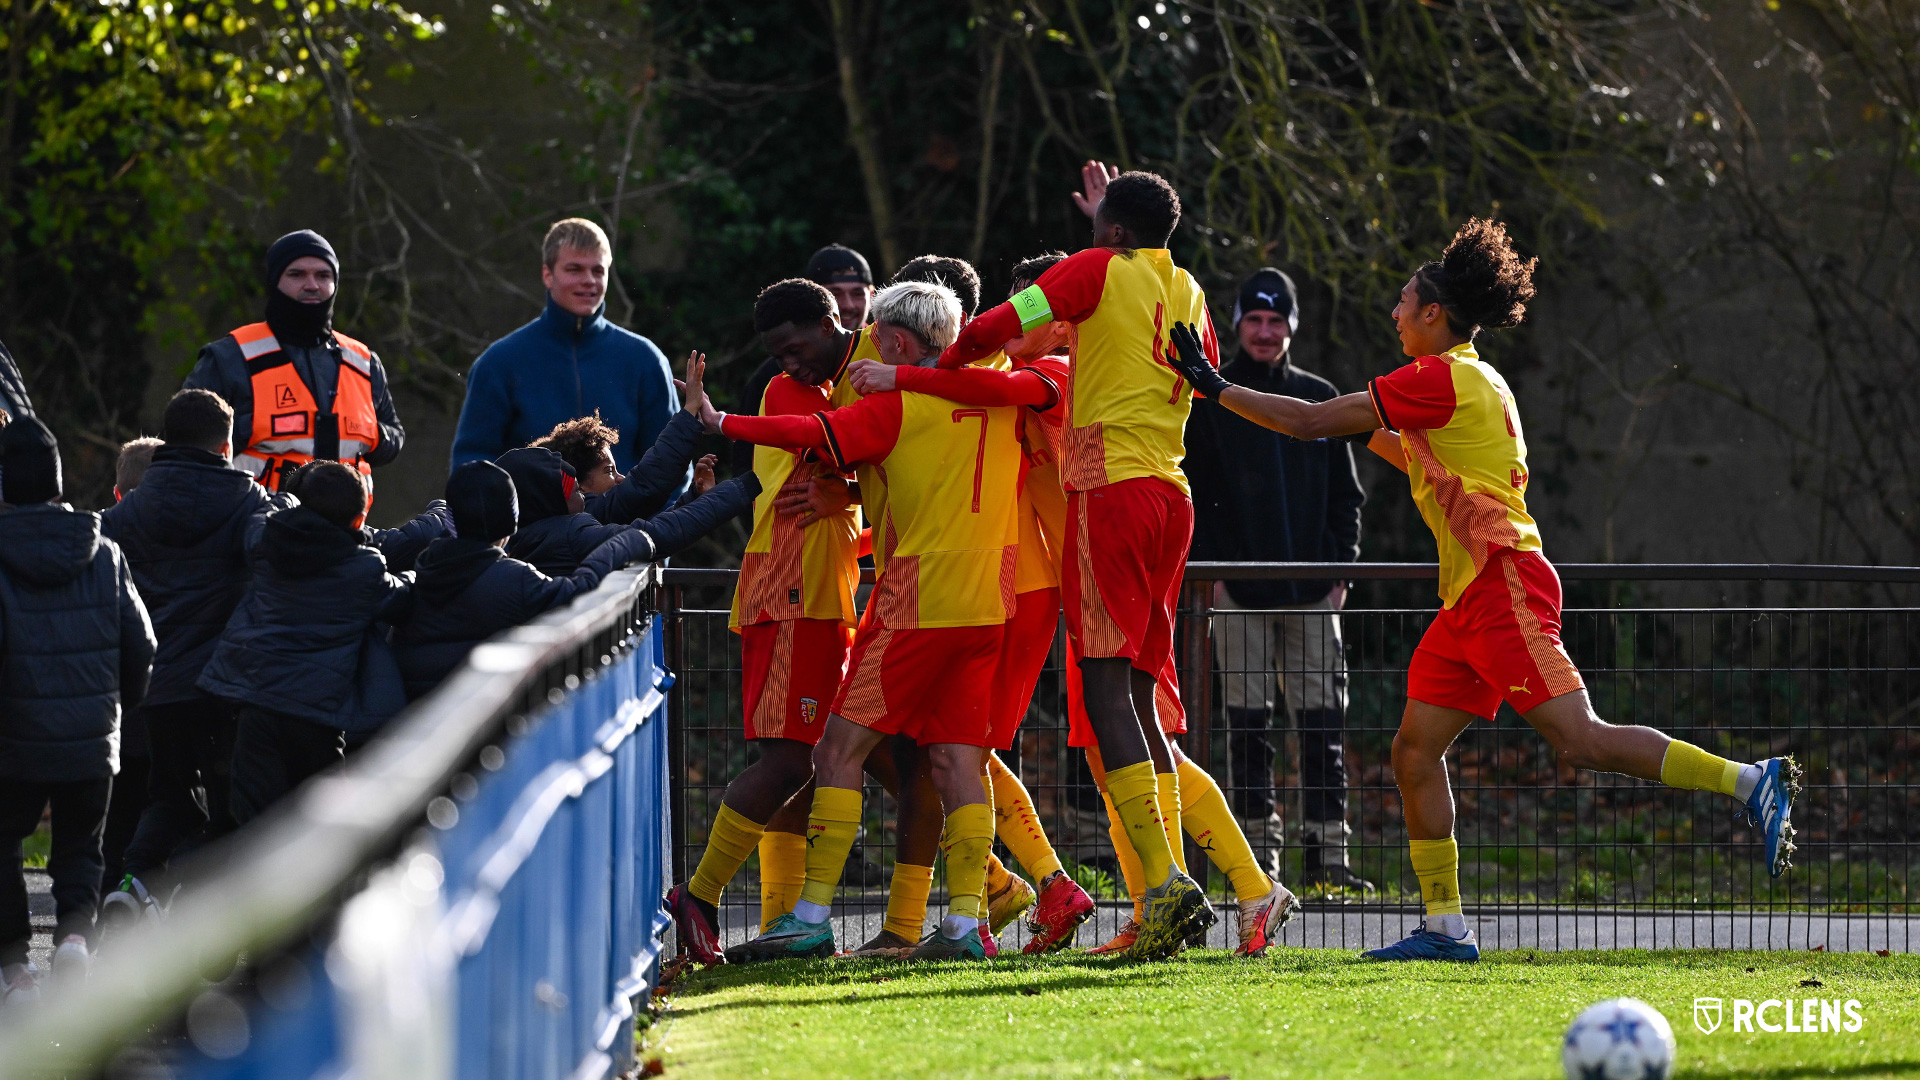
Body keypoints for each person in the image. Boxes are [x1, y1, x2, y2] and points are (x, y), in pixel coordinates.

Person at [1164, 217, 1799, 962]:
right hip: (1470, 598)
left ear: (1434, 313)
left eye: (1404, 303)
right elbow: (1411, 457)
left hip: (1504, 585)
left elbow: (1308, 422)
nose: (1395, 313)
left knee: (1579, 738)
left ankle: (1752, 781)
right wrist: (1335, 420)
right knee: (1412, 751)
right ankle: (1446, 927)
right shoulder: (1471, 377)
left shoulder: (1440, 376)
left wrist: (1214, 387)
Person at [862, 252, 1297, 959]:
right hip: (1084, 577)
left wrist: (900, 374)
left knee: (1108, 739)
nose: (1009, 332)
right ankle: (1163, 902)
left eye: (1025, 314)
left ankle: (1243, 887)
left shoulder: (1059, 374)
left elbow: (1000, 392)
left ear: (1060, 321)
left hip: (1106, 564)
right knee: (1110, 748)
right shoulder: (1056, 370)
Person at [936, 169, 1223, 960]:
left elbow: (1013, 316)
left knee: (1103, 689)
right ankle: (1167, 887)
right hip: (1173, 491)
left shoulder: (1097, 268)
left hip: (1113, 486)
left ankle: (1164, 886)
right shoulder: (1189, 286)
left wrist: (957, 356)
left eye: (1101, 228)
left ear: (1115, 234)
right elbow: (1197, 374)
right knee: (1133, 688)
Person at [707, 280, 1024, 964]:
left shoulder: (896, 406)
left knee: (835, 753)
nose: (867, 349)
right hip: (989, 601)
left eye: (877, 336)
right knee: (957, 762)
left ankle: (812, 918)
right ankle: (966, 929)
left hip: (918, 602)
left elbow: (808, 431)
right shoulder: (1003, 387)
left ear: (901, 343)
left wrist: (720, 421)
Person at [1183, 267, 1372, 891]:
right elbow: (1195, 493)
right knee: (1247, 728)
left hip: (1315, 593)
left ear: (1291, 325)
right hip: (1236, 591)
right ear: (1237, 324)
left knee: (1323, 726)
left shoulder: (1319, 395)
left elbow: (1348, 498)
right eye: (1254, 320)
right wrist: (1210, 575)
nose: (1265, 332)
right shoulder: (1214, 398)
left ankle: (1328, 859)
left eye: (1276, 320)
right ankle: (1260, 859)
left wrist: (1340, 572)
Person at [99, 393, 291, 922]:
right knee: (229, 805)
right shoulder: (248, 499)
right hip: (226, 680)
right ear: (226, 444)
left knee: (172, 796)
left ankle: (134, 885)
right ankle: (181, 899)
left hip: (156, 684)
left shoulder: (128, 510)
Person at [0, 418, 155, 998]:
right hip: (93, 732)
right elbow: (141, 645)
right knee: (80, 847)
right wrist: (115, 709)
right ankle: (72, 943)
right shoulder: (104, 553)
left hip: (13, 738)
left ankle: (16, 972)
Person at [197, 462, 426, 823]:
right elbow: (400, 597)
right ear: (358, 518)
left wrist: (288, 496)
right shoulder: (365, 569)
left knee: (253, 825)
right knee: (319, 824)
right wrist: (417, 571)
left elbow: (265, 512)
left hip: (255, 701)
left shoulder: (266, 542)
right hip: (317, 716)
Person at [451, 218, 684, 500]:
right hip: (529, 539)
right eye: (575, 269)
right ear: (548, 275)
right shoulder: (499, 364)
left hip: (629, 535)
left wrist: (653, 532)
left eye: (598, 270)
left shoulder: (645, 361)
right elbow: (472, 466)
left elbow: (673, 462)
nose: (588, 280)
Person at [386, 462, 652, 699]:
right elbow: (577, 592)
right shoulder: (513, 578)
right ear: (510, 519)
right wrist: (620, 546)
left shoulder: (422, 569)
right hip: (475, 725)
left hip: (409, 721)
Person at [184, 230, 406, 494]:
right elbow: (183, 440)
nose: (312, 285)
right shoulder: (229, 357)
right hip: (254, 525)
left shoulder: (363, 362)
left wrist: (367, 431)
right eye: (296, 274)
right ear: (274, 281)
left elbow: (394, 438)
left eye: (323, 275)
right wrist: (254, 426)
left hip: (345, 527)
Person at [497, 435, 757, 580]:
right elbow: (655, 535)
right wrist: (740, 489)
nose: (579, 487)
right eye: (571, 486)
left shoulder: (531, 537)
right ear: (546, 499)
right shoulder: (571, 532)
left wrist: (693, 499)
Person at [98, 436, 163, 896]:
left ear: (118, 492)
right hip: (175, 696)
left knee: (112, 825)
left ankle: (104, 911)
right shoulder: (195, 535)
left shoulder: (98, 540)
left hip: (112, 703)